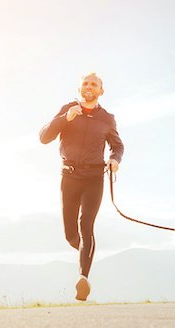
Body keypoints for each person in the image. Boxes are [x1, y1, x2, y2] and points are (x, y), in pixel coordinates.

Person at [39, 72, 124, 301]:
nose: (89, 86)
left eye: (94, 84)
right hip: (69, 177)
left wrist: (115, 159)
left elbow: (118, 145)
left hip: (94, 177)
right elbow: (44, 137)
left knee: (86, 224)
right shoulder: (67, 110)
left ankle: (83, 277)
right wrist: (65, 119)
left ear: (101, 91)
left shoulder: (107, 118)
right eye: (85, 83)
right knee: (70, 234)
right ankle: (87, 253)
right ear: (79, 89)